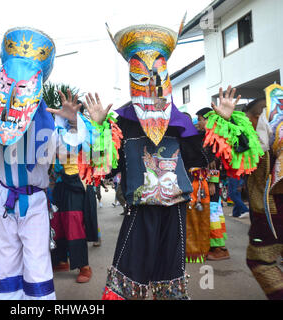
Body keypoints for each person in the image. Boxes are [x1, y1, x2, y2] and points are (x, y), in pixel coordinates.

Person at [100, 22, 261, 300]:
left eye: (157, 76)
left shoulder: (181, 123)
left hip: (175, 212)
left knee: (169, 281)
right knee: (126, 280)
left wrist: (224, 123)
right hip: (138, 211)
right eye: (142, 77)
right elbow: (103, 166)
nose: (151, 84)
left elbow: (210, 155)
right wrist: (95, 130)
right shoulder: (122, 123)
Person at [0, 27, 116, 300]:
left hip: (34, 203)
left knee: (37, 265)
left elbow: (83, 153)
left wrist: (77, 122)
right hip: (4, 201)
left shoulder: (46, 125)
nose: (16, 91)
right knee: (5, 264)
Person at [244, 89, 283, 300]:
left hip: (272, 210)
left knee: (259, 260)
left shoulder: (264, 141)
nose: (247, 122)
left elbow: (254, 158)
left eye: (249, 118)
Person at [50, 159, 98, 283]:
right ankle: (61, 260)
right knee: (56, 222)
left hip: (76, 178)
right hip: (57, 181)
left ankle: (84, 266)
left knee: (74, 223)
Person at [193, 107, 230, 261]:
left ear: (208, 120)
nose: (199, 123)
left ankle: (219, 249)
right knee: (213, 212)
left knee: (213, 212)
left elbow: (215, 163)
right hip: (208, 181)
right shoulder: (210, 136)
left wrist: (213, 182)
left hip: (212, 182)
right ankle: (217, 245)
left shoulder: (213, 138)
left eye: (201, 119)